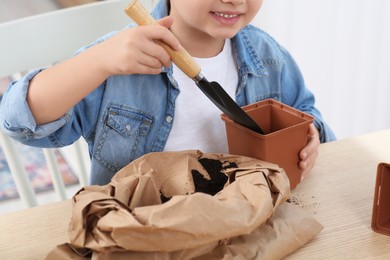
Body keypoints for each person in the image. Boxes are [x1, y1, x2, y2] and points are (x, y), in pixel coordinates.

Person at [0, 0, 336, 185]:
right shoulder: (118, 60)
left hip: (244, 223)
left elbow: (306, 113)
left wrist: (310, 136)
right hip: (142, 232)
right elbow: (19, 122)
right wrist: (98, 61)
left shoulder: (268, 56)